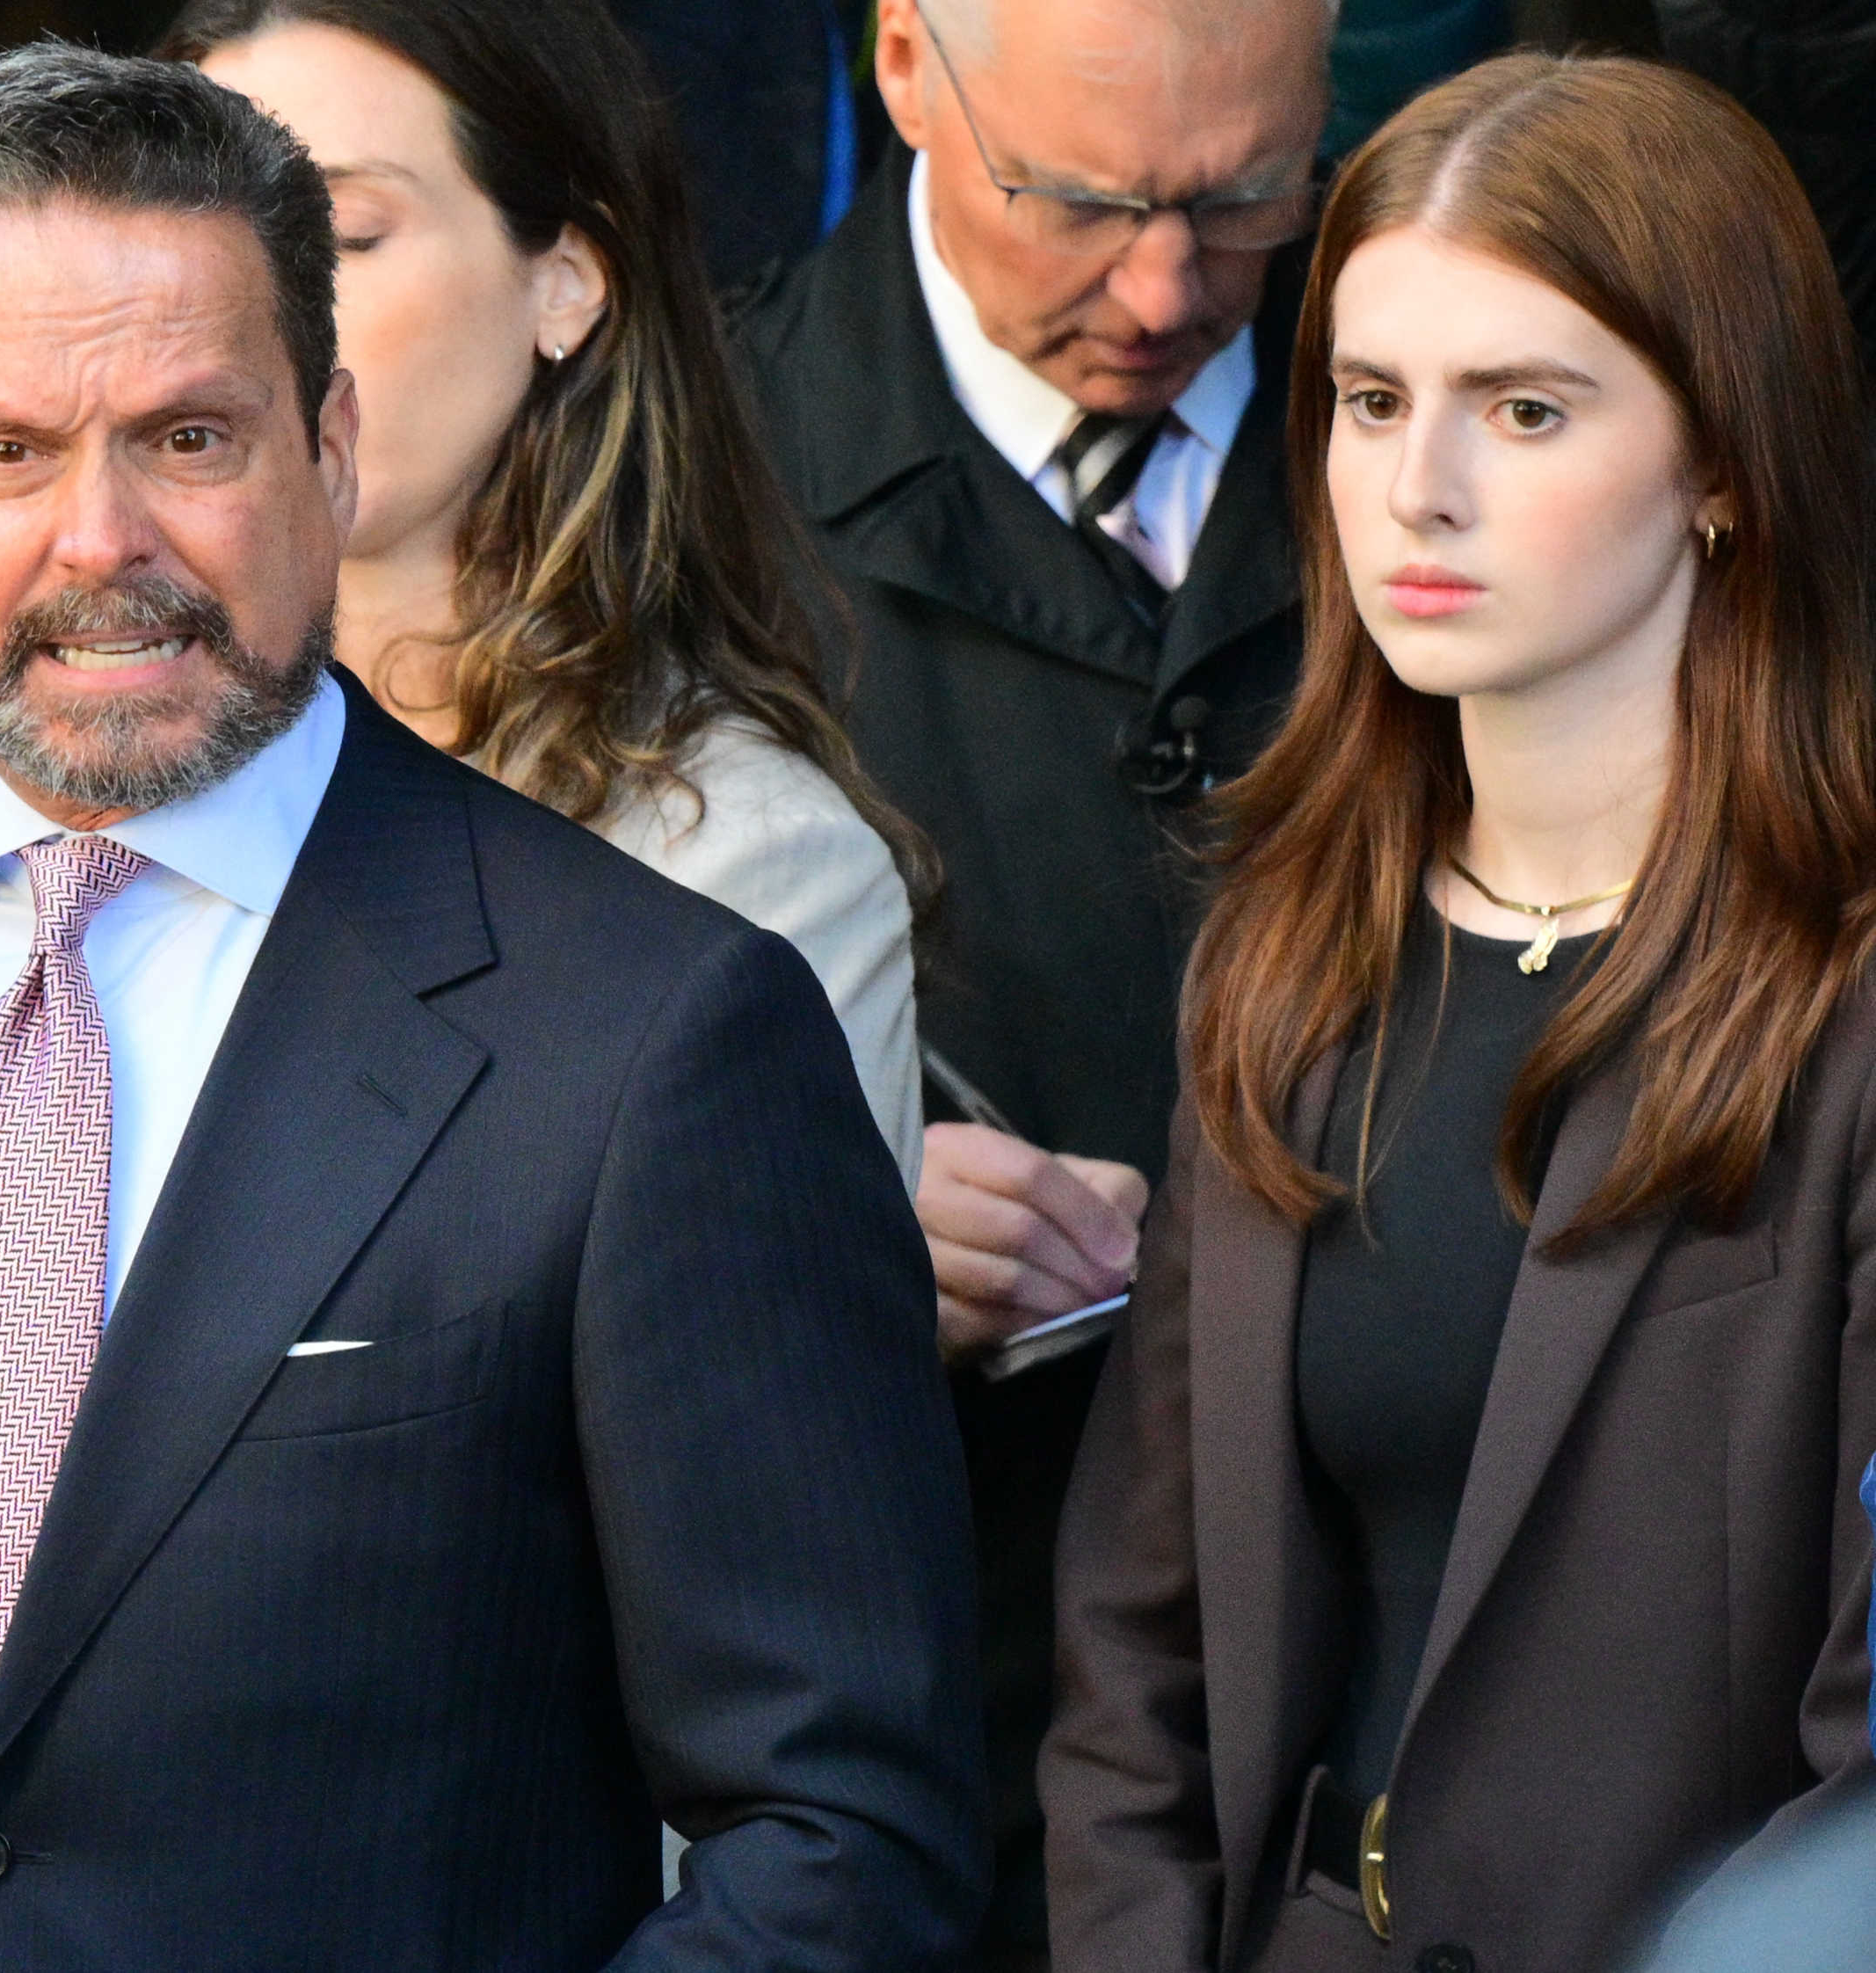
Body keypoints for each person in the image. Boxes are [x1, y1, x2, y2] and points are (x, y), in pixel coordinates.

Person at [0, 45, 988, 1966]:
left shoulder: (653, 1036)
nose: (100, 541)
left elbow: (840, 1831)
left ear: (324, 452)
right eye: (7, 452)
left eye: (187, 439)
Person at [1044, 53, 1876, 1973]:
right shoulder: (1279, 958)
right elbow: (1139, 1652)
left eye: (1524, 407)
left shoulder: (1837, 1003)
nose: (1416, 485)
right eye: (1366, 399)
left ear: (1728, 462)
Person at [730, 0, 1330, 1955]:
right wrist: (798, 1220)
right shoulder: (684, 488)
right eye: (1074, 201)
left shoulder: (1463, 397)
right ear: (903, 64)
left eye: (1244, 197)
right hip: (918, 1696)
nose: (1163, 290)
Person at [169, 0, 935, 1181]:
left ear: (566, 284)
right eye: (204, 245)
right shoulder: (88, 766)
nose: (249, 318)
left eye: (347, 235)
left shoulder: (734, 870)